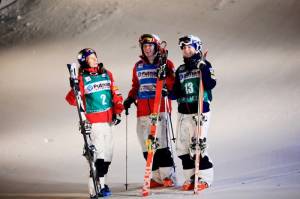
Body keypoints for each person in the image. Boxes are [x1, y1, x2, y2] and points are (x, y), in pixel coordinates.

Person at [65, 48, 124, 198]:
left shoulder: (106, 74)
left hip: (108, 121)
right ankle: (95, 189)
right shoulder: (82, 78)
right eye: (90, 58)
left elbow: (115, 93)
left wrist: (118, 110)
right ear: (84, 61)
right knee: (99, 156)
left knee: (108, 155)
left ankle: (102, 182)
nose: (94, 59)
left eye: (94, 56)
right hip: (94, 123)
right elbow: (72, 100)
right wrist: (74, 87)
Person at [123, 34, 176, 188]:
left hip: (159, 108)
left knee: (161, 144)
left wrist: (168, 81)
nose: (147, 49)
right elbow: (135, 85)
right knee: (146, 144)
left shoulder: (166, 63)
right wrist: (130, 98)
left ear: (156, 46)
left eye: (150, 46)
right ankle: (155, 177)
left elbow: (173, 85)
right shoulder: (138, 66)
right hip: (142, 111)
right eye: (144, 46)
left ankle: (168, 176)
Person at [173, 35, 216, 191]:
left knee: (198, 146)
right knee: (182, 148)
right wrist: (166, 90)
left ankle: (205, 178)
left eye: (189, 46)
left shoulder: (205, 64)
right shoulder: (181, 70)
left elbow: (211, 83)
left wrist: (203, 67)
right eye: (184, 48)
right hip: (184, 112)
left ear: (197, 47)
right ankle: (190, 177)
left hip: (200, 110)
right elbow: (175, 93)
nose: (186, 50)